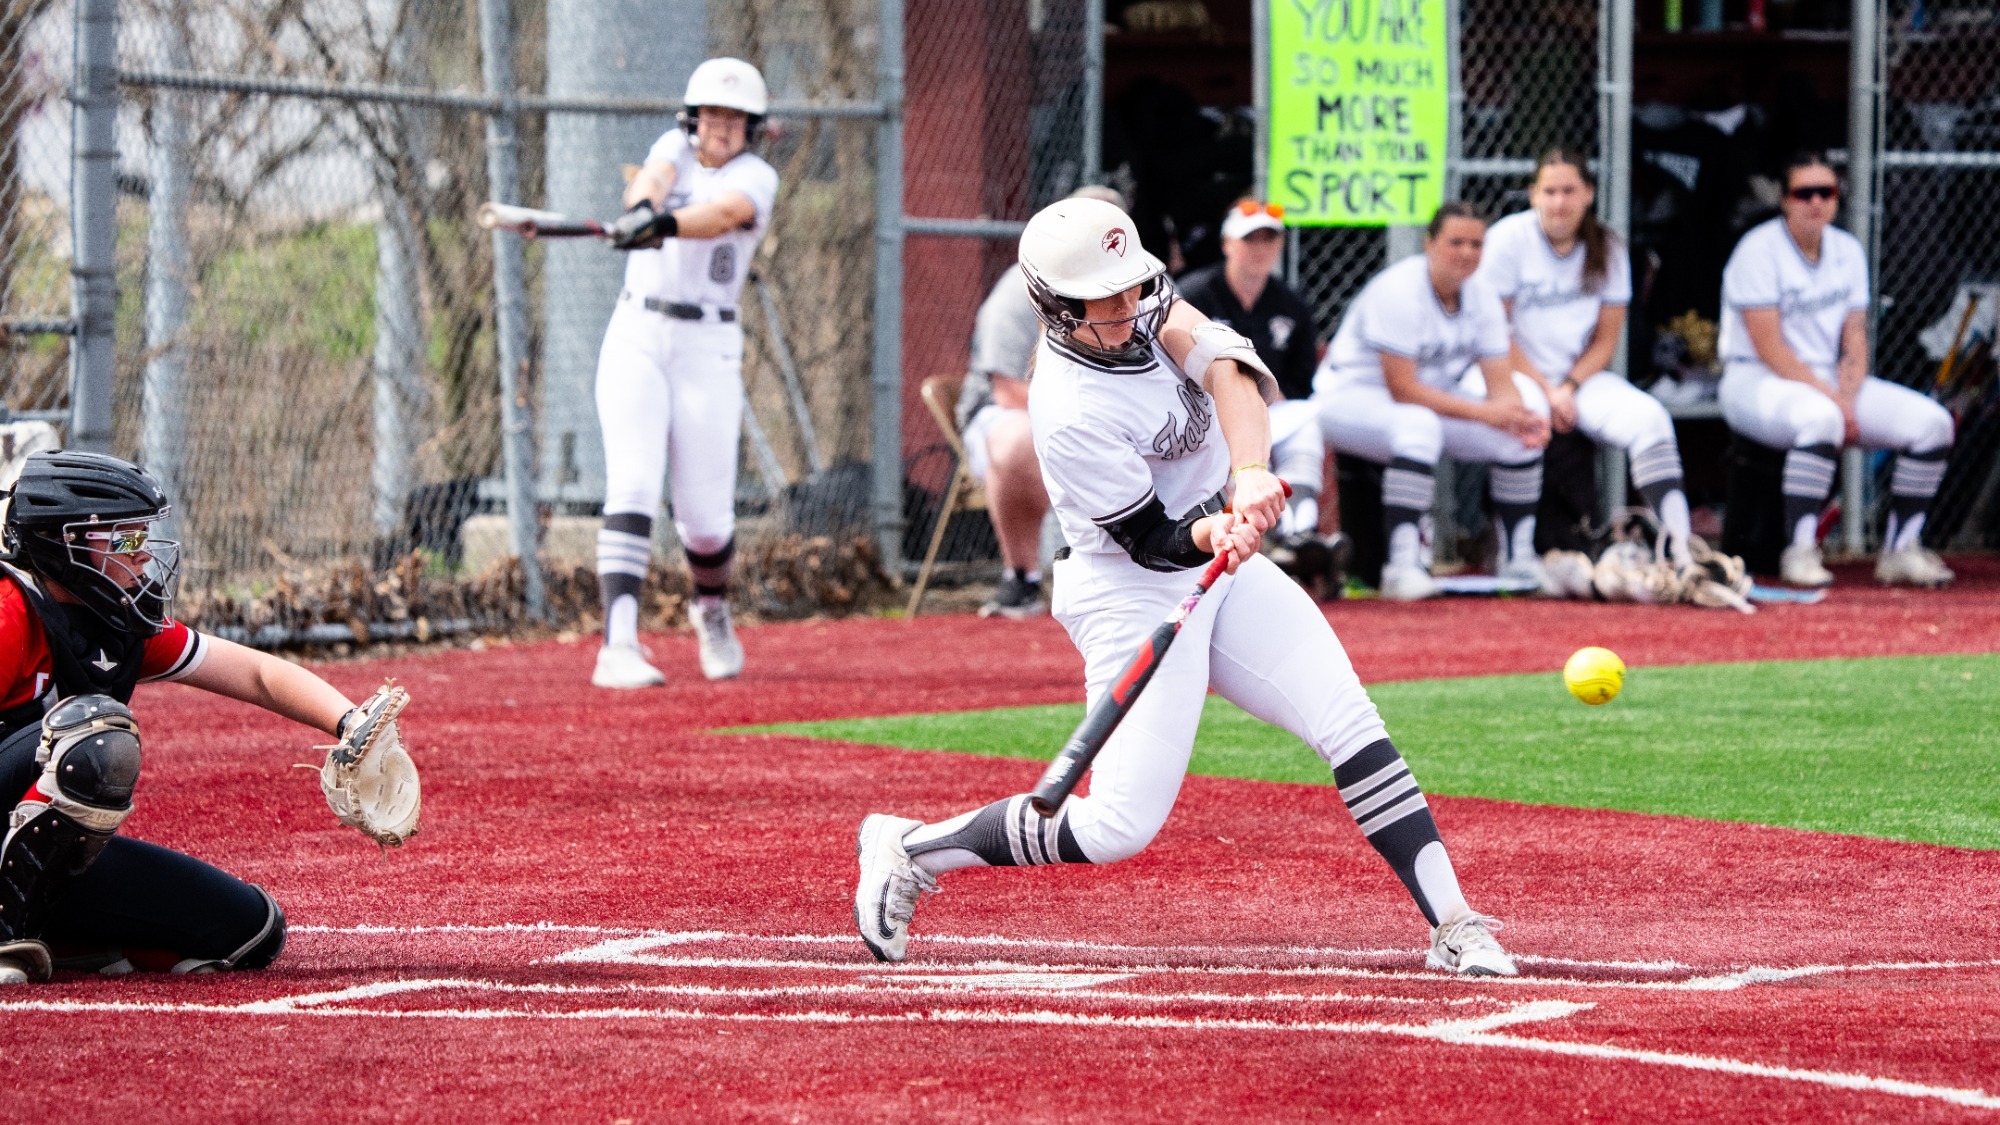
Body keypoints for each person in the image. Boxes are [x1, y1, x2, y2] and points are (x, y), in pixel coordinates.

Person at [853, 197, 1519, 978]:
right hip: (1130, 587)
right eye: (1103, 299)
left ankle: (1453, 921)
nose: (1126, 306)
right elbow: (1152, 539)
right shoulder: (1068, 411)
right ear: (1056, 308)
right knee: (1115, 826)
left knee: (1348, 720)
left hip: (1223, 562)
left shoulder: (1142, 298)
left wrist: (1249, 474)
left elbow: (1230, 374)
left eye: (1130, 287)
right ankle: (911, 848)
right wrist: (1213, 529)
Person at [0, 452, 399, 983]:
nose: (143, 554)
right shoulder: (11, 611)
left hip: (19, 847)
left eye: (143, 535)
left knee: (250, 929)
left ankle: (53, 934)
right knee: (93, 736)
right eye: (124, 539)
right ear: (65, 542)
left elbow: (256, 674)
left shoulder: (112, 621)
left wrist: (348, 723)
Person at [590, 57, 781, 687]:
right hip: (638, 332)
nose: (719, 127)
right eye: (710, 115)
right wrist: (643, 208)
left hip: (708, 342)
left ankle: (712, 610)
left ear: (751, 127)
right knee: (634, 485)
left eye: (733, 118)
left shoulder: (757, 177)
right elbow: (651, 179)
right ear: (692, 118)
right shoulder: (672, 145)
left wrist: (662, 222)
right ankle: (618, 643)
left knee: (705, 519)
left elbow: (722, 216)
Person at [1719, 151, 1956, 587]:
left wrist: (1847, 396)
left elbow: (1855, 337)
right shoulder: (1758, 250)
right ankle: (1801, 550)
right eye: (1803, 193)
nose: (1815, 202)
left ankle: (1900, 549)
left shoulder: (1846, 249)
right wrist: (1834, 402)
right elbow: (1769, 345)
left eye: (1825, 192)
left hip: (1828, 381)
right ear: (1785, 200)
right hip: (1755, 378)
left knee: (1933, 424)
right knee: (1820, 417)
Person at [1312, 203, 1553, 600]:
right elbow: (1402, 388)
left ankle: (1518, 559)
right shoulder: (1400, 289)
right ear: (1430, 244)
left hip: (1428, 402)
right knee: (1417, 425)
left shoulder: (1482, 296)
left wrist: (1520, 417)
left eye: (1476, 244)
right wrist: (1487, 412)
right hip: (1348, 399)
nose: (1466, 252)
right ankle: (1402, 567)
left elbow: (1500, 383)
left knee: (1521, 429)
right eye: (1455, 242)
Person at [1479, 149, 1696, 567]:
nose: (1559, 202)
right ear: (1532, 195)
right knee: (1532, 411)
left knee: (1650, 418)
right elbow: (1497, 336)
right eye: (1550, 191)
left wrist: (1569, 387)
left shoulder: (1607, 246)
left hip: (1580, 380)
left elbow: (1605, 339)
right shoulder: (1508, 239)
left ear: (1589, 194)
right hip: (1519, 375)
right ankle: (1514, 556)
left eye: (1569, 191)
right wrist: (1549, 390)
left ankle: (1681, 548)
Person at [956, 185, 1128, 619]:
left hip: (1109, 411)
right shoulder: (1022, 288)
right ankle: (1023, 576)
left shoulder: (1146, 289)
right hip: (1007, 412)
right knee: (1019, 440)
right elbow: (1008, 390)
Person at [1177, 197, 1347, 584]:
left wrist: (1277, 397)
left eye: (1269, 240)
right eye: (1250, 239)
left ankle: (1300, 533)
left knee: (1307, 421)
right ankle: (1238, 527)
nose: (1260, 249)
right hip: (1205, 411)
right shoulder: (1195, 295)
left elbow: (1301, 383)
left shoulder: (1291, 304)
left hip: (1271, 408)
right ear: (1228, 244)